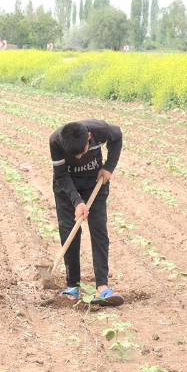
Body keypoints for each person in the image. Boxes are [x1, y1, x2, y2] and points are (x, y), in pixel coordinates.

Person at [50, 120, 124, 306]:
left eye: (82, 152)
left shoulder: (102, 130)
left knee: (98, 228)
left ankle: (102, 286)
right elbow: (61, 176)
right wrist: (77, 202)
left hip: (95, 182)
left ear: (89, 137)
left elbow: (118, 137)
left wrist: (109, 167)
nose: (78, 157)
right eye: (73, 155)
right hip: (67, 186)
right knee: (69, 230)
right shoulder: (55, 142)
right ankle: (72, 284)